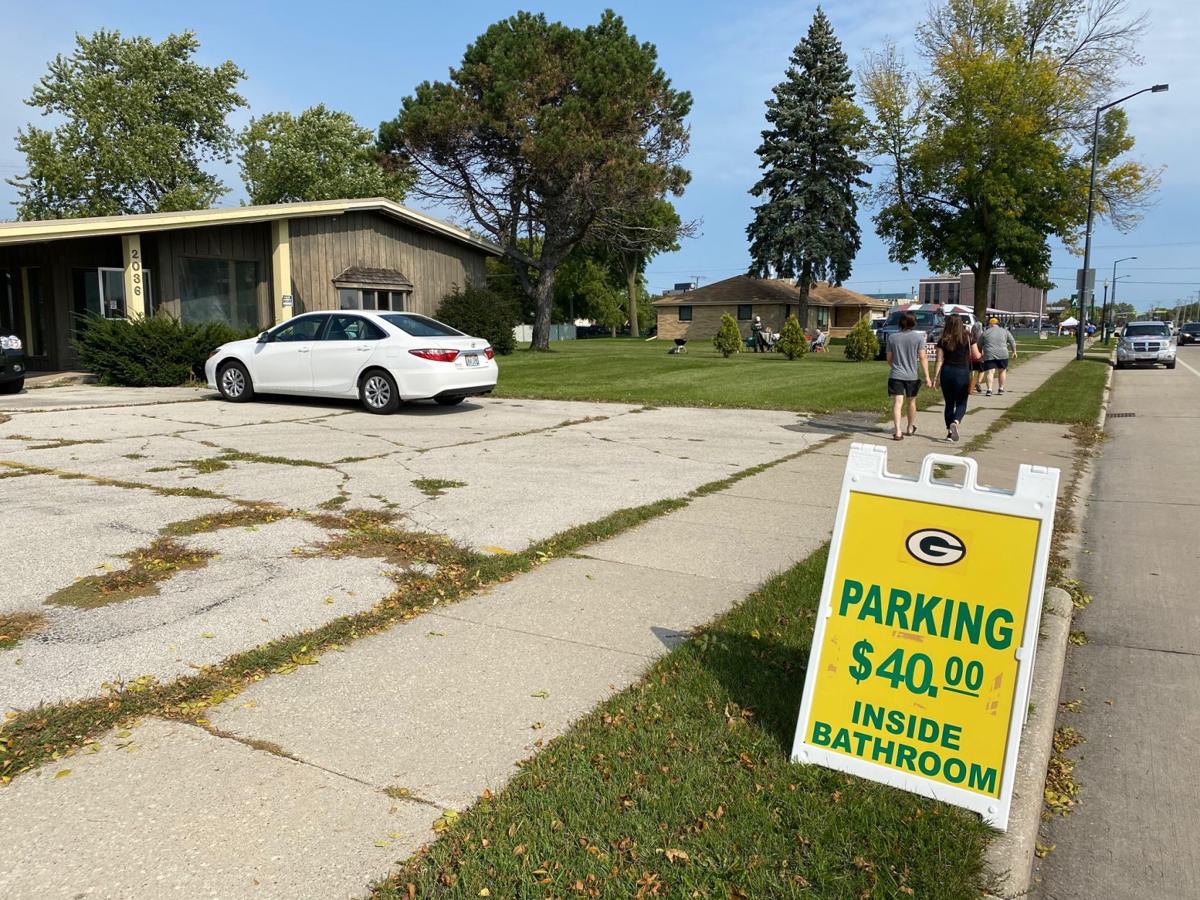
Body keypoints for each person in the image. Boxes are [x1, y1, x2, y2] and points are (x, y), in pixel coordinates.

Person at [885, 312, 932, 441]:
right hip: (912, 375)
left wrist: (895, 366)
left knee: (897, 402)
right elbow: (923, 357)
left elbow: (889, 358)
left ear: (900, 322)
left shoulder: (892, 337)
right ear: (914, 323)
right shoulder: (918, 338)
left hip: (896, 374)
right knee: (911, 401)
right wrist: (927, 376)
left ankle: (898, 431)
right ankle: (910, 427)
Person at [934, 314, 979, 442]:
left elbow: (939, 360)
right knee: (961, 402)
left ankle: (949, 432)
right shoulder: (968, 337)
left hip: (947, 372)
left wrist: (935, 377)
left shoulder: (943, 339)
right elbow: (976, 356)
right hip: (962, 372)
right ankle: (956, 421)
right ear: (961, 324)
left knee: (949, 403)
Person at [979, 316, 1018, 395]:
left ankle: (989, 390)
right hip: (1003, 354)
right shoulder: (1005, 331)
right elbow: (1012, 341)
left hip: (989, 354)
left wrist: (980, 353)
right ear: (997, 324)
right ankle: (1001, 388)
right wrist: (1014, 351)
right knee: (1002, 371)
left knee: (990, 372)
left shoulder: (985, 332)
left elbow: (979, 344)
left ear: (990, 324)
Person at [969, 320, 984, 394]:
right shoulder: (982, 336)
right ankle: (978, 382)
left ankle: (971, 383)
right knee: (981, 370)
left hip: (970, 357)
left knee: (972, 370)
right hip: (979, 356)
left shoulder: (970, 336)